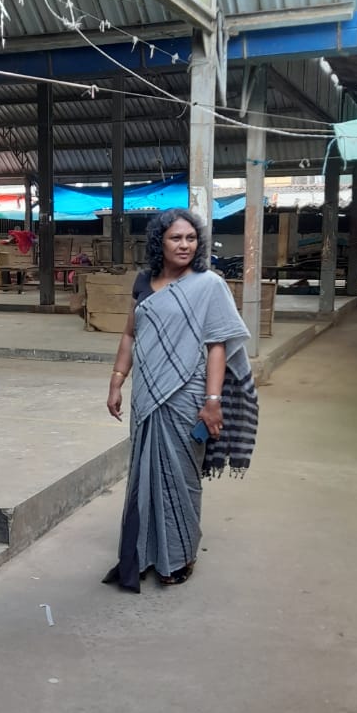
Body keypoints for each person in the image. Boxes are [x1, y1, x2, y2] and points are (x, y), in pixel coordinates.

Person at [103, 209, 258, 592]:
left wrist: (213, 400)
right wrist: (117, 381)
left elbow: (217, 345)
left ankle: (180, 554)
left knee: (181, 478)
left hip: (187, 395)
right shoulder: (143, 282)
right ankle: (142, 552)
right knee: (144, 476)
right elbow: (129, 335)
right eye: (176, 238)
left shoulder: (208, 285)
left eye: (191, 238)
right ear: (160, 242)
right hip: (146, 396)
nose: (185, 245)